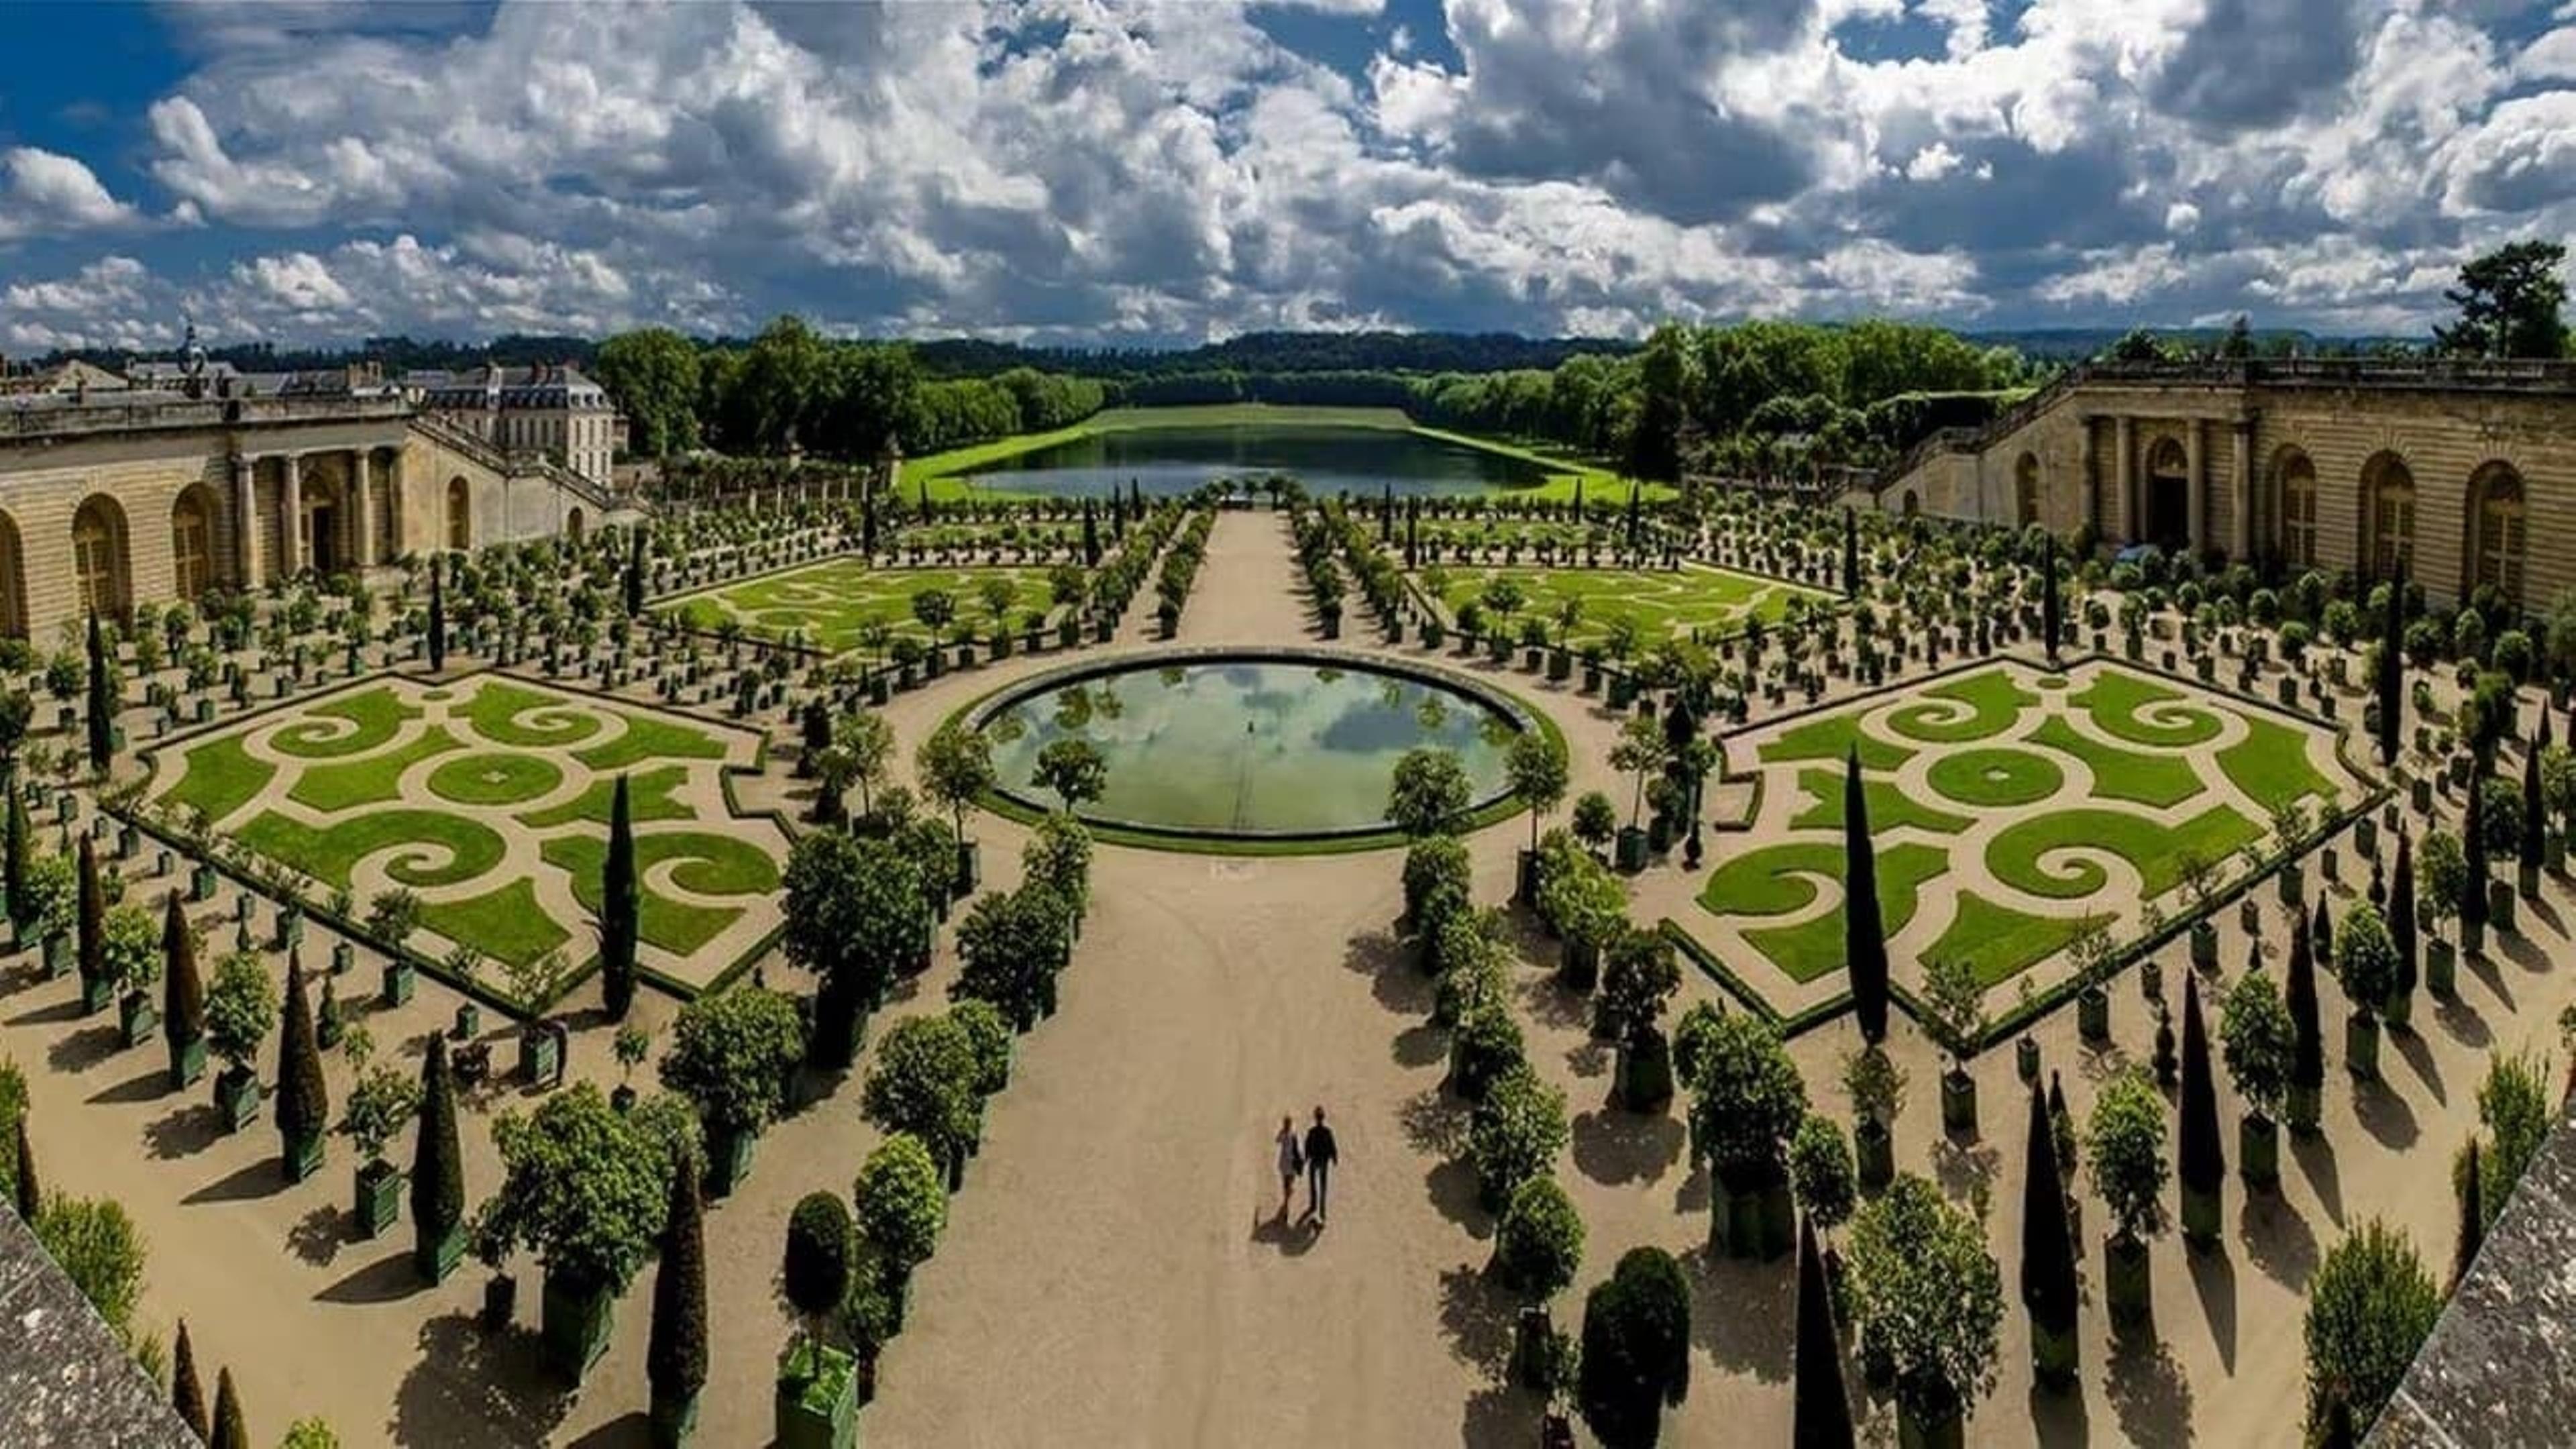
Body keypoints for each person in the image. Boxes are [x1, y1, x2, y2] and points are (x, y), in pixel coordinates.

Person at [1303, 1106, 1339, 1224]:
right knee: (1323, 1185)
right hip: (1323, 1161)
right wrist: (1334, 1158)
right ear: (1323, 1118)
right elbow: (1332, 1145)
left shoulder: (1312, 1132)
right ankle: (1322, 1209)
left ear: (1315, 1118)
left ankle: (1314, 1204)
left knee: (1313, 1184)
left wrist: (1306, 1158)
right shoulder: (1327, 1132)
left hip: (1314, 1160)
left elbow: (1307, 1146)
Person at [1273, 1116, 1303, 1222]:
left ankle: (1286, 1200)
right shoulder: (1294, 1135)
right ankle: (1286, 1204)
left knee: (1286, 1184)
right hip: (1291, 1165)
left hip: (1285, 1164)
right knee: (1289, 1184)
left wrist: (1282, 1132)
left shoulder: (1285, 1134)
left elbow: (1277, 1141)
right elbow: (1299, 1150)